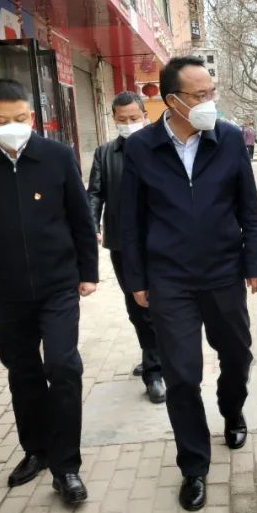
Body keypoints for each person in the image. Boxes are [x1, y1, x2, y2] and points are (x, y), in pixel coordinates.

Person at [0, 78, 98, 505]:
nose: (13, 126)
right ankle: (37, 450)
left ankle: (67, 468)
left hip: (58, 285)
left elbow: (81, 218)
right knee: (23, 371)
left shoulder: (57, 156)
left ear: (32, 115)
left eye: (21, 118)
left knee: (63, 366)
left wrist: (88, 271)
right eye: (2, 120)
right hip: (6, 291)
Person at [120, 55, 257, 513]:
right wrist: (136, 279)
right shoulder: (141, 148)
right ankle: (194, 466)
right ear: (173, 101)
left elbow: (249, 207)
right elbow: (130, 220)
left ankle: (231, 409)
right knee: (182, 375)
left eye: (211, 92)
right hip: (169, 279)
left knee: (237, 356)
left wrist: (256, 263)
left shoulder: (228, 139)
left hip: (224, 272)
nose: (209, 102)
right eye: (200, 95)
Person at [88, 92, 166, 404]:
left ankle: (155, 366)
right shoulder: (105, 153)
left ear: (145, 115)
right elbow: (94, 193)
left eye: (134, 118)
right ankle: (153, 357)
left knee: (162, 303)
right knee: (137, 306)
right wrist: (92, 225)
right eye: (122, 119)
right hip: (122, 243)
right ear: (114, 120)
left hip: (160, 241)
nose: (129, 123)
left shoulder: (161, 148)